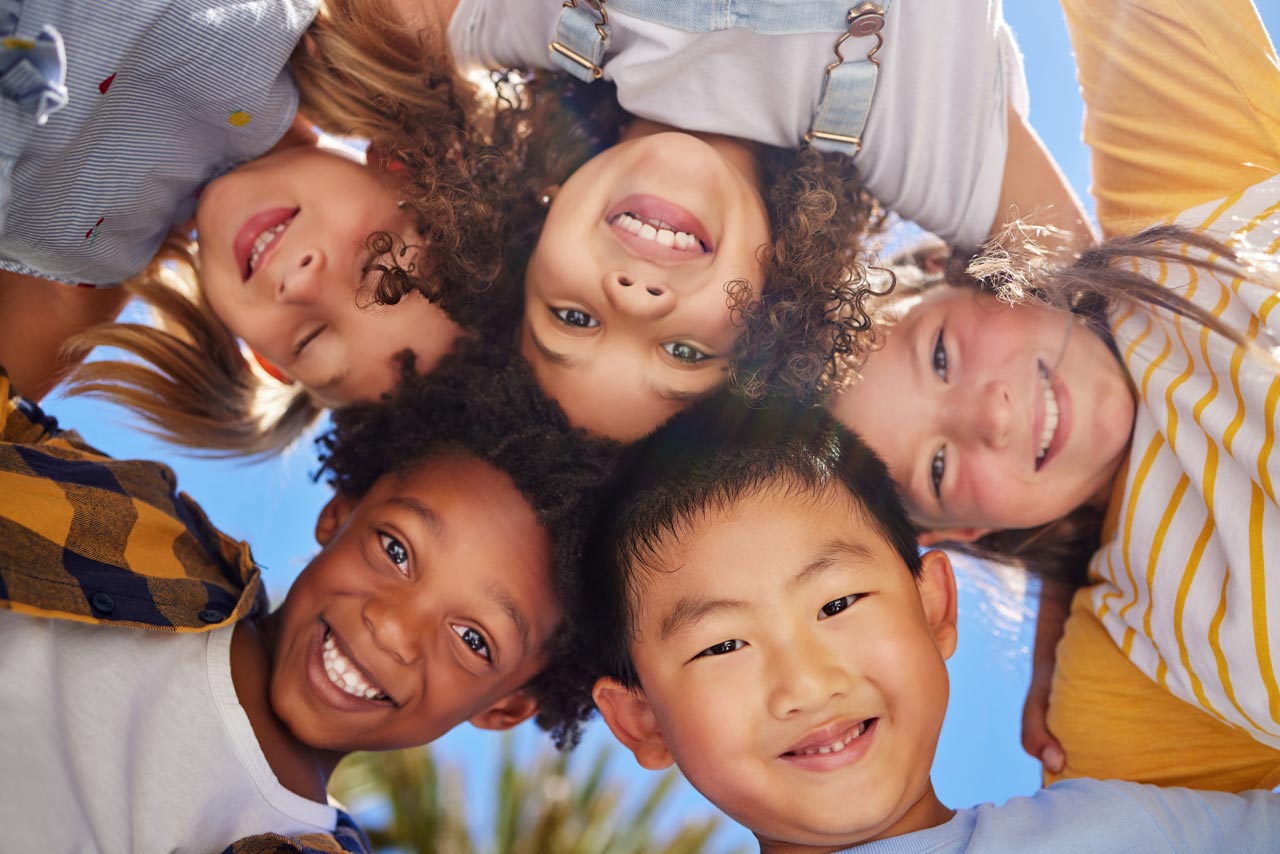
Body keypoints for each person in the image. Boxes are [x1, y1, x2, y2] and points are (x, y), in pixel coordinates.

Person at [827, 0, 1280, 790]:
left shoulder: (1178, 213)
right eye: (936, 468)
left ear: (964, 272)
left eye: (940, 355)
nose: (990, 414)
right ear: (966, 528)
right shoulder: (1134, 666)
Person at [577, 393, 1280, 853]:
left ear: (935, 606)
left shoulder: (1127, 833)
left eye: (837, 604)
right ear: (641, 718)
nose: (807, 682)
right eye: (723, 644)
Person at [364, 0, 1089, 440]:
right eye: (683, 354)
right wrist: (1062, 574)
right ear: (775, 328)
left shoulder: (514, 21)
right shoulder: (914, 136)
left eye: (572, 319)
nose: (634, 299)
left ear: (523, 240)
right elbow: (1111, 314)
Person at [0, 340, 617, 852]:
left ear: (505, 706)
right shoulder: (139, 527)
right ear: (338, 515)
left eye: (473, 639)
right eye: (396, 552)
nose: (393, 629)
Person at [0, 0, 492, 455]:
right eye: (375, 265)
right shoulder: (302, 25)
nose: (300, 282)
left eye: (309, 339)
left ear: (264, 359)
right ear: (405, 168)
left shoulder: (95, 266)